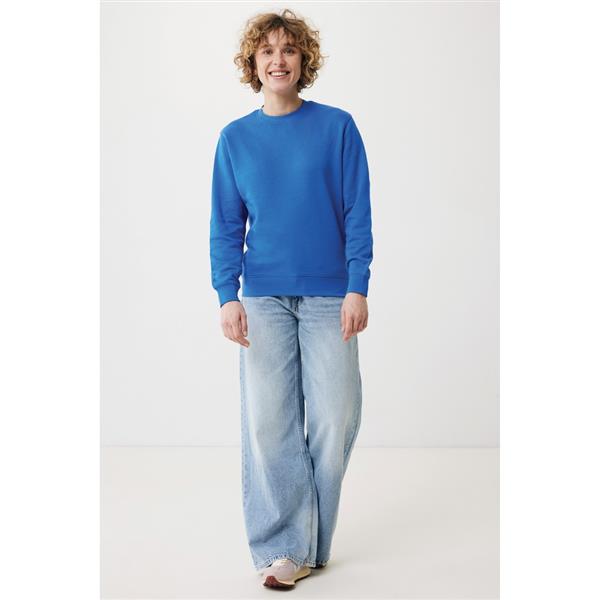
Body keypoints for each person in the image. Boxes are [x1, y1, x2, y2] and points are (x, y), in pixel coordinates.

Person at [209, 9, 373, 589]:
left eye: (289, 50)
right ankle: (285, 548)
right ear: (253, 64)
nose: (278, 60)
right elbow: (226, 225)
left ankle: (308, 543)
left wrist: (358, 285)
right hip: (264, 298)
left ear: (304, 61)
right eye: (267, 51)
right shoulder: (235, 139)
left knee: (335, 416)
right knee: (268, 424)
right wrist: (227, 295)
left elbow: (357, 212)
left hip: (331, 295)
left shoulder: (338, 128)